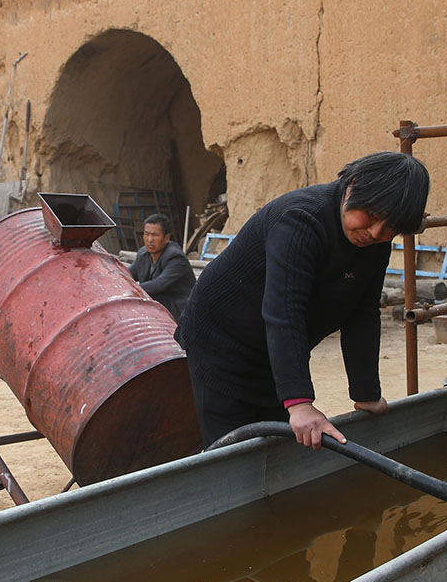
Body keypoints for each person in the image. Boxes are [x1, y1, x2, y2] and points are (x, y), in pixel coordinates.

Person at [175, 151, 430, 449]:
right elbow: (284, 311)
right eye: (371, 216)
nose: (373, 233)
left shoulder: (374, 243)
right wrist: (299, 403)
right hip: (220, 343)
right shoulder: (300, 219)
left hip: (272, 351)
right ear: (353, 185)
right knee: (233, 451)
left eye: (390, 228)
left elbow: (363, 313)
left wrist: (367, 393)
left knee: (276, 445)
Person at [128, 213, 196, 321]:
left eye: (155, 235)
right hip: (160, 302)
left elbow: (159, 284)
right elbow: (128, 273)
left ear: (166, 238)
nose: (150, 239)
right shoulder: (143, 254)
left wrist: (130, 290)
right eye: (146, 234)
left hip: (180, 309)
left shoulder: (176, 258)